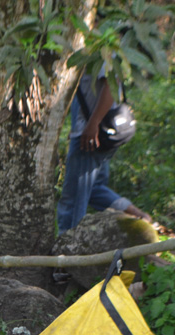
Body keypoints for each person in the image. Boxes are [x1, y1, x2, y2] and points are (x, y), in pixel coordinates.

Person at [56, 68, 151, 234]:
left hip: (89, 134)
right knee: (94, 189)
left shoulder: (101, 51)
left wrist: (93, 124)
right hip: (93, 131)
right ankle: (138, 216)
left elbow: (110, 88)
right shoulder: (91, 52)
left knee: (72, 200)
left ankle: (66, 247)